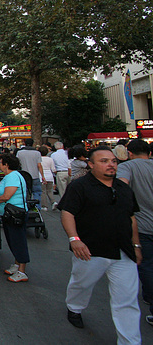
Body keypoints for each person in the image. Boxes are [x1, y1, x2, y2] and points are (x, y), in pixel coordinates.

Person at [58, 146, 141, 343]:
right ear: (91, 165)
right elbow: (67, 212)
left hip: (123, 252)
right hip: (91, 250)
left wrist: (136, 246)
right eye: (104, 161)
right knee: (81, 284)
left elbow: (131, 218)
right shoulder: (80, 186)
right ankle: (75, 308)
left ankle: (130, 341)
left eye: (113, 161)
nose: (110, 164)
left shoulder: (123, 189)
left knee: (127, 300)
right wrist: (75, 239)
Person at [117, 139, 153, 326]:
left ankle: (150, 298)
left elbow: (121, 188)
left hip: (142, 226)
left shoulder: (127, 167)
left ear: (129, 153)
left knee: (146, 265)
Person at [0, 153, 31, 283]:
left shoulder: (13, 177)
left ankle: (22, 270)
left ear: (6, 165)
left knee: (18, 241)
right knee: (13, 240)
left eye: (0, 163)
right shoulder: (9, 176)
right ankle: (17, 264)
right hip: (8, 214)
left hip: (15, 214)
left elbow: (7, 196)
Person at [16, 138, 45, 205]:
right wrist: (42, 176)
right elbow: (39, 165)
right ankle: (37, 207)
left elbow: (17, 163)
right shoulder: (37, 153)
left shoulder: (20, 153)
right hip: (35, 175)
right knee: (37, 192)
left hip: (24, 176)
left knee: (24, 192)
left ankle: (25, 206)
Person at [50, 141, 71, 210]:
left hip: (60, 172)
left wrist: (54, 172)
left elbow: (53, 165)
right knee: (70, 189)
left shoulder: (53, 155)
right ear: (62, 146)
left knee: (62, 190)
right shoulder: (67, 153)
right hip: (69, 171)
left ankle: (64, 205)